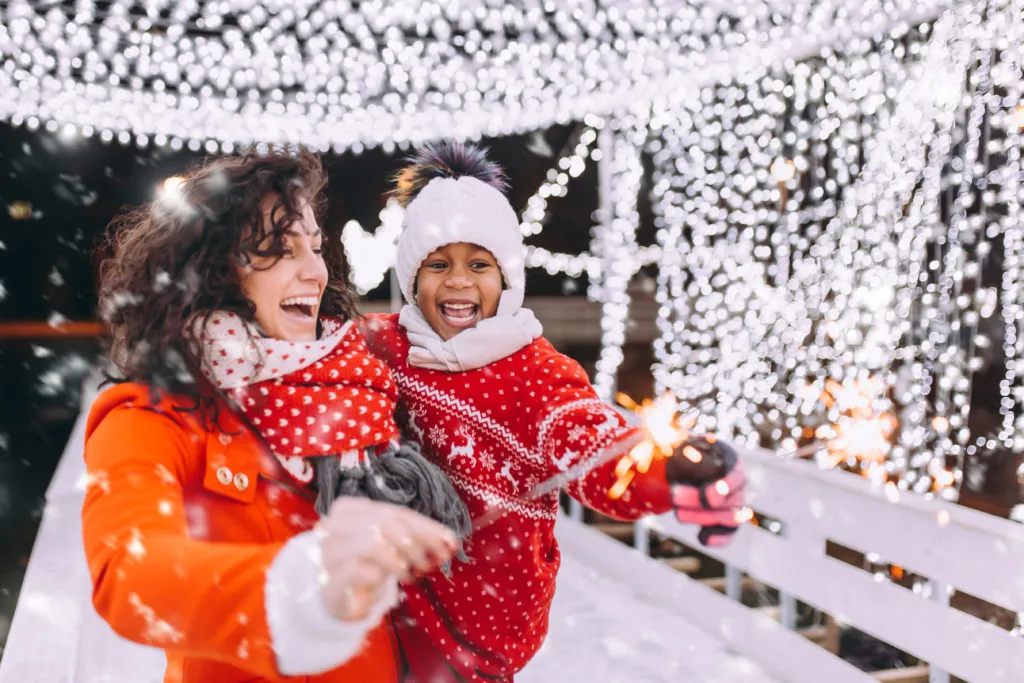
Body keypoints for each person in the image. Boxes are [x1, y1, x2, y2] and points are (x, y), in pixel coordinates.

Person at [359, 141, 747, 682]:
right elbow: (303, 355)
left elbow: (588, 440)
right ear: (411, 277)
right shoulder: (383, 348)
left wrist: (661, 468)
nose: (458, 282)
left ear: (508, 278)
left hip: (481, 629)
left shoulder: (536, 373)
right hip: (390, 608)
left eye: (479, 264)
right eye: (437, 264)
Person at [82, 148, 460, 683]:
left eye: (314, 245)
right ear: (214, 270)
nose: (315, 271)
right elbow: (128, 572)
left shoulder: (360, 390)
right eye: (281, 250)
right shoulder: (151, 415)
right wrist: (300, 590)